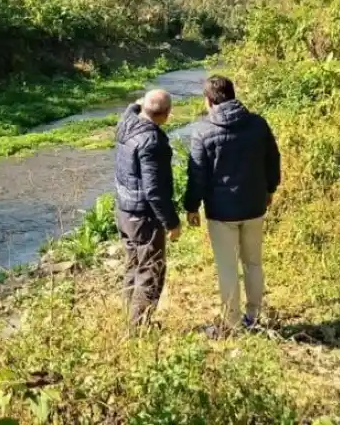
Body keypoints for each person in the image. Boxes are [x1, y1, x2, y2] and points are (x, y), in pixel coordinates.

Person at [184, 75, 281, 331]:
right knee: (253, 263)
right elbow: (273, 159)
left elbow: (197, 175)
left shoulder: (203, 131)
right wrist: (270, 189)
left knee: (227, 267)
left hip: (221, 211)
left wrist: (191, 206)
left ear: (208, 100)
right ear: (233, 94)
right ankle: (254, 316)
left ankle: (232, 322)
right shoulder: (258, 124)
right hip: (254, 205)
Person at [114, 89, 182, 328]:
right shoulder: (153, 142)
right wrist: (171, 222)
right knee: (151, 270)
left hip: (123, 211)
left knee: (133, 265)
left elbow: (131, 109)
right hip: (144, 217)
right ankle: (139, 327)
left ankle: (128, 318)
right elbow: (154, 190)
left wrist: (138, 104)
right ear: (166, 115)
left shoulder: (126, 123)